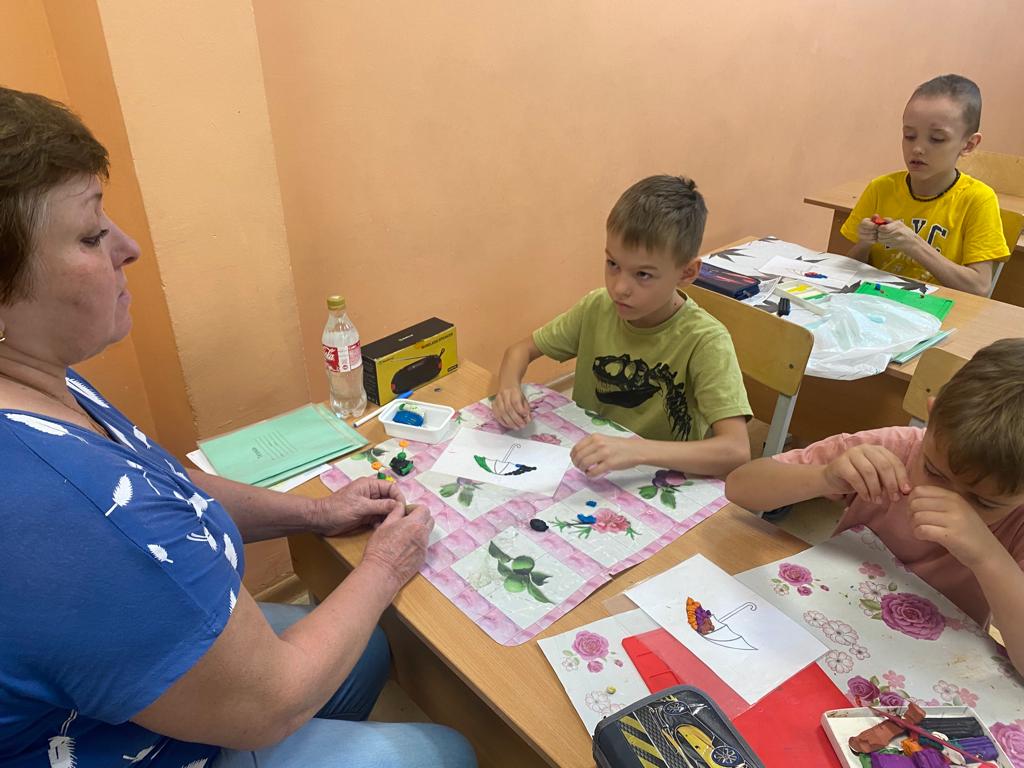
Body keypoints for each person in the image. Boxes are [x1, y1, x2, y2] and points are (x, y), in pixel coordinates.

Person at [0, 86, 476, 768]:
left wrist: (316, 513)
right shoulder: (61, 509)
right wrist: (385, 566)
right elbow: (270, 704)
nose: (128, 247)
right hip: (118, 749)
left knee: (367, 650)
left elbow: (166, 487)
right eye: (90, 234)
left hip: (130, 704)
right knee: (442, 752)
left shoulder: (38, 381)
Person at [725, 339, 1024, 675]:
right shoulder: (890, 451)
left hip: (935, 667)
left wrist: (987, 556)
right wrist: (824, 477)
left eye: (983, 501)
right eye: (933, 471)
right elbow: (740, 488)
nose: (947, 501)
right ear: (932, 415)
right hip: (829, 621)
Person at [493, 175, 751, 479]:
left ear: (686, 273)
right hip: (589, 469)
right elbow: (520, 350)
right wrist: (508, 388)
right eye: (612, 264)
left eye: (643, 274)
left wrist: (636, 450)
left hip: (657, 478)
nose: (619, 288)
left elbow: (735, 451)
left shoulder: (705, 341)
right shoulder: (597, 307)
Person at [840, 74, 1009, 296]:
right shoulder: (880, 188)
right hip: (876, 302)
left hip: (939, 310)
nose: (917, 149)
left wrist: (914, 245)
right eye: (909, 136)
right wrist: (865, 243)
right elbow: (844, 272)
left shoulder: (978, 199)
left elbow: (979, 287)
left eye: (937, 139)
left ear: (968, 145)